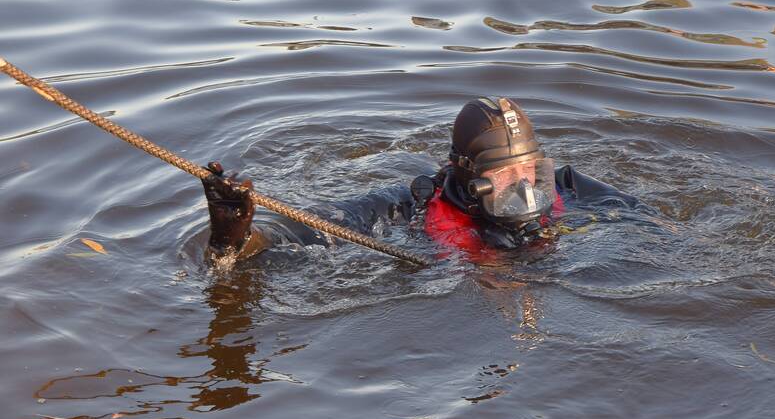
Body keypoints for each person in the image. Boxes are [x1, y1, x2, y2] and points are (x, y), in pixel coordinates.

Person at [202, 97, 637, 260]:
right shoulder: (407, 206)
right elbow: (301, 233)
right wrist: (234, 233)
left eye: (529, 171)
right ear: (468, 176)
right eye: (505, 175)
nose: (524, 188)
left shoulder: (565, 186)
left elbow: (653, 224)